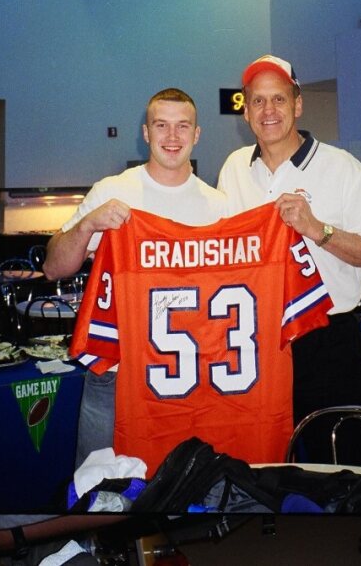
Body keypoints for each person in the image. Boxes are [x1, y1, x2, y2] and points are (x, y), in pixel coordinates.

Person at [218, 55, 361, 463]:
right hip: (257, 341)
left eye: (278, 99)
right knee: (268, 461)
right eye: (258, 101)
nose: (269, 111)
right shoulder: (233, 170)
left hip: (327, 340)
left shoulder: (343, 168)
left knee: (340, 464)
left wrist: (319, 229)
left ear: (297, 105)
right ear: (246, 111)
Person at [43, 88, 227, 466]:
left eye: (182, 127)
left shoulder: (219, 206)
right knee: (101, 492)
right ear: (146, 133)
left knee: (178, 489)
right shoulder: (113, 191)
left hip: (190, 377)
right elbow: (53, 268)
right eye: (162, 125)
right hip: (115, 375)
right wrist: (89, 224)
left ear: (197, 134)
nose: (172, 137)